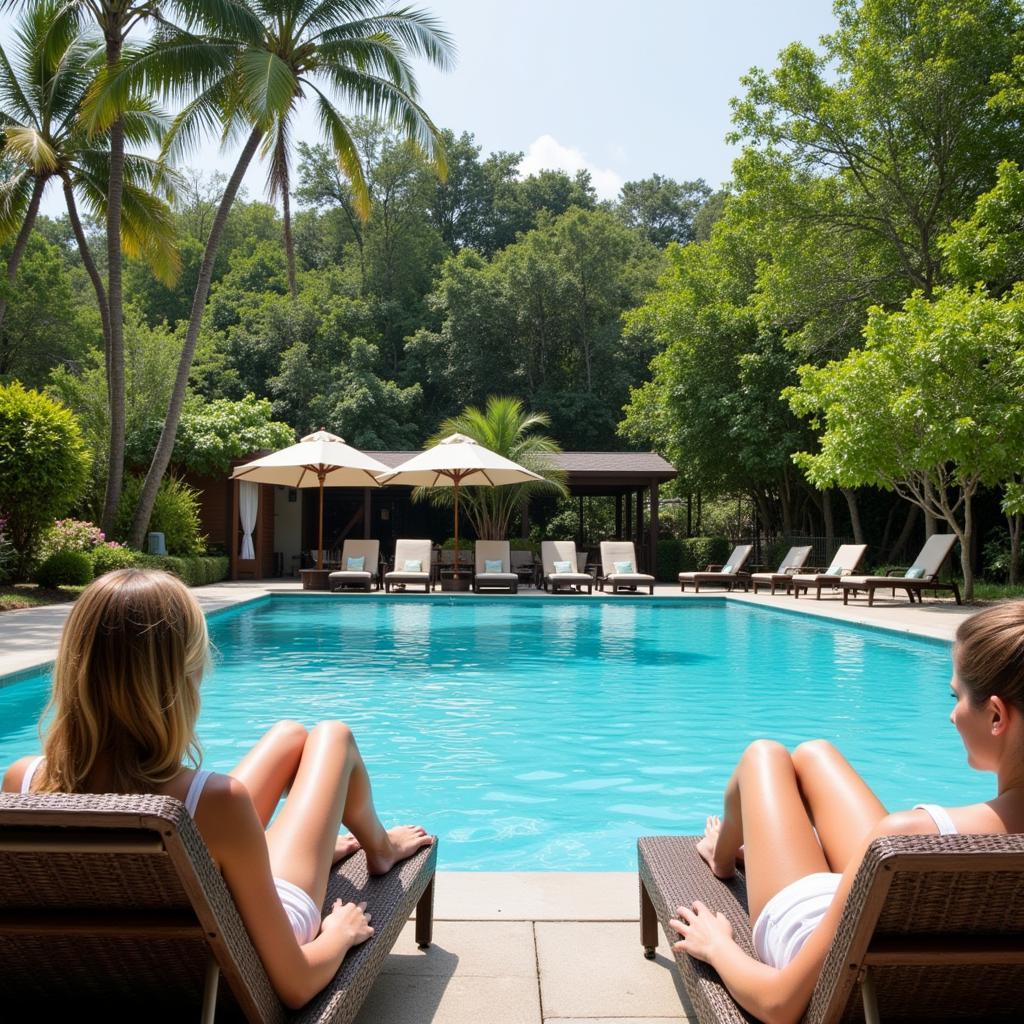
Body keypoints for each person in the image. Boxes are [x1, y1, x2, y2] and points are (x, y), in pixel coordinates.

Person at [1, 568, 433, 1010]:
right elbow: (296, 984)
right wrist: (340, 935)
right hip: (243, 941)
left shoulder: (24, 779)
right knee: (332, 737)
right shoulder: (214, 802)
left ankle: (309, 848)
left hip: (129, 949)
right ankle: (378, 848)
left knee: (288, 735)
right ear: (180, 677)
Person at [669, 602, 1024, 1024]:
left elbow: (779, 1004)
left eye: (957, 696)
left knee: (763, 756)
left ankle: (723, 857)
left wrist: (717, 945)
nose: (952, 715)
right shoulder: (909, 839)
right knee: (816, 753)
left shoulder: (907, 838)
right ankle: (738, 852)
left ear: (997, 715)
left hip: (828, 954)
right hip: (896, 934)